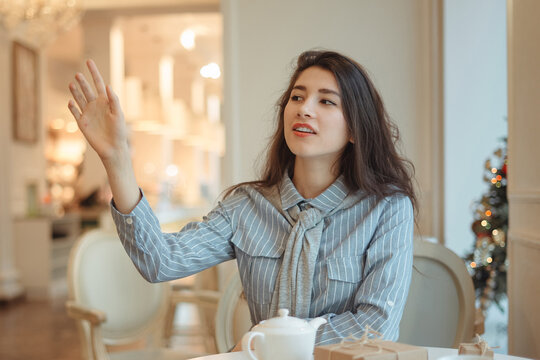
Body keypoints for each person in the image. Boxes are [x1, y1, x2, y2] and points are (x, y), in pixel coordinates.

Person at [67, 50, 416, 346]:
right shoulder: (246, 205)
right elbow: (161, 261)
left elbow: (376, 325)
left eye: (326, 101)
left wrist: (276, 345)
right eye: (297, 96)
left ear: (355, 128)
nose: (304, 109)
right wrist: (117, 160)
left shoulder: (387, 208)